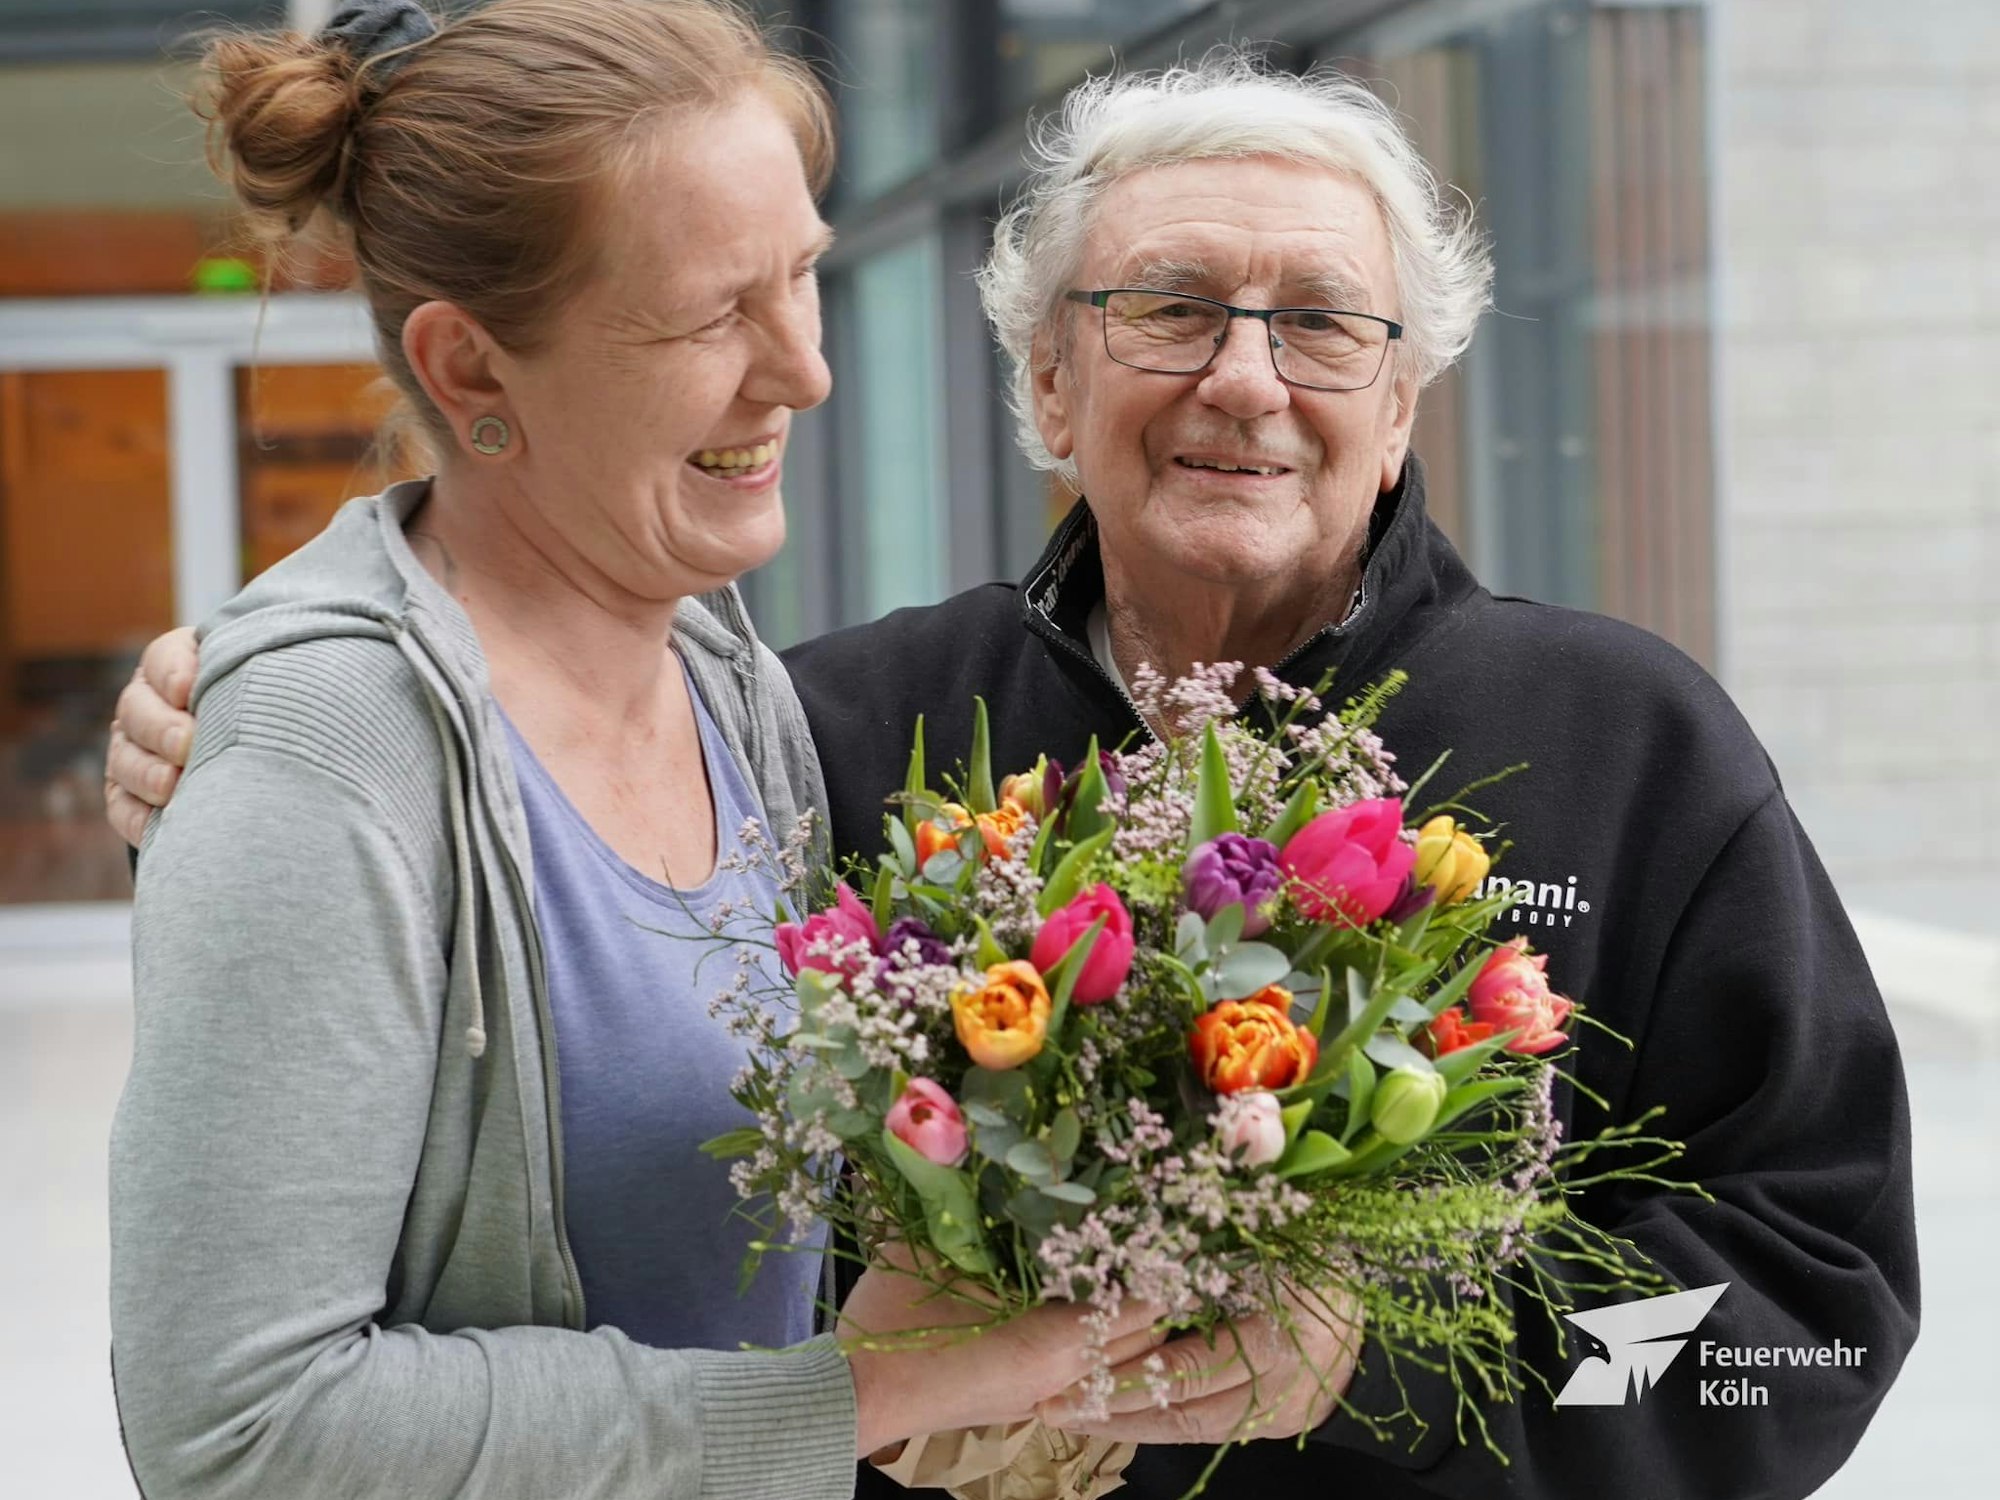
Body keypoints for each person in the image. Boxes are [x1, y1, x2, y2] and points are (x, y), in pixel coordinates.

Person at [108, 48, 1920, 1500]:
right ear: (1049, 385)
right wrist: (247, 705)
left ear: (1403, 406)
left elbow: (1816, 1309)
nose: (1244, 378)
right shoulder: (836, 728)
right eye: (1168, 309)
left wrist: (1402, 1359)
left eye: (1322, 325)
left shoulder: (1633, 743)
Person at [100, 5, 1163, 1499]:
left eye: (802, 275)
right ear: (469, 369)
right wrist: (849, 1399)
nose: (804, 371)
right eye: (710, 315)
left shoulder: (729, 683)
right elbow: (239, 1432)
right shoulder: (328, 746)